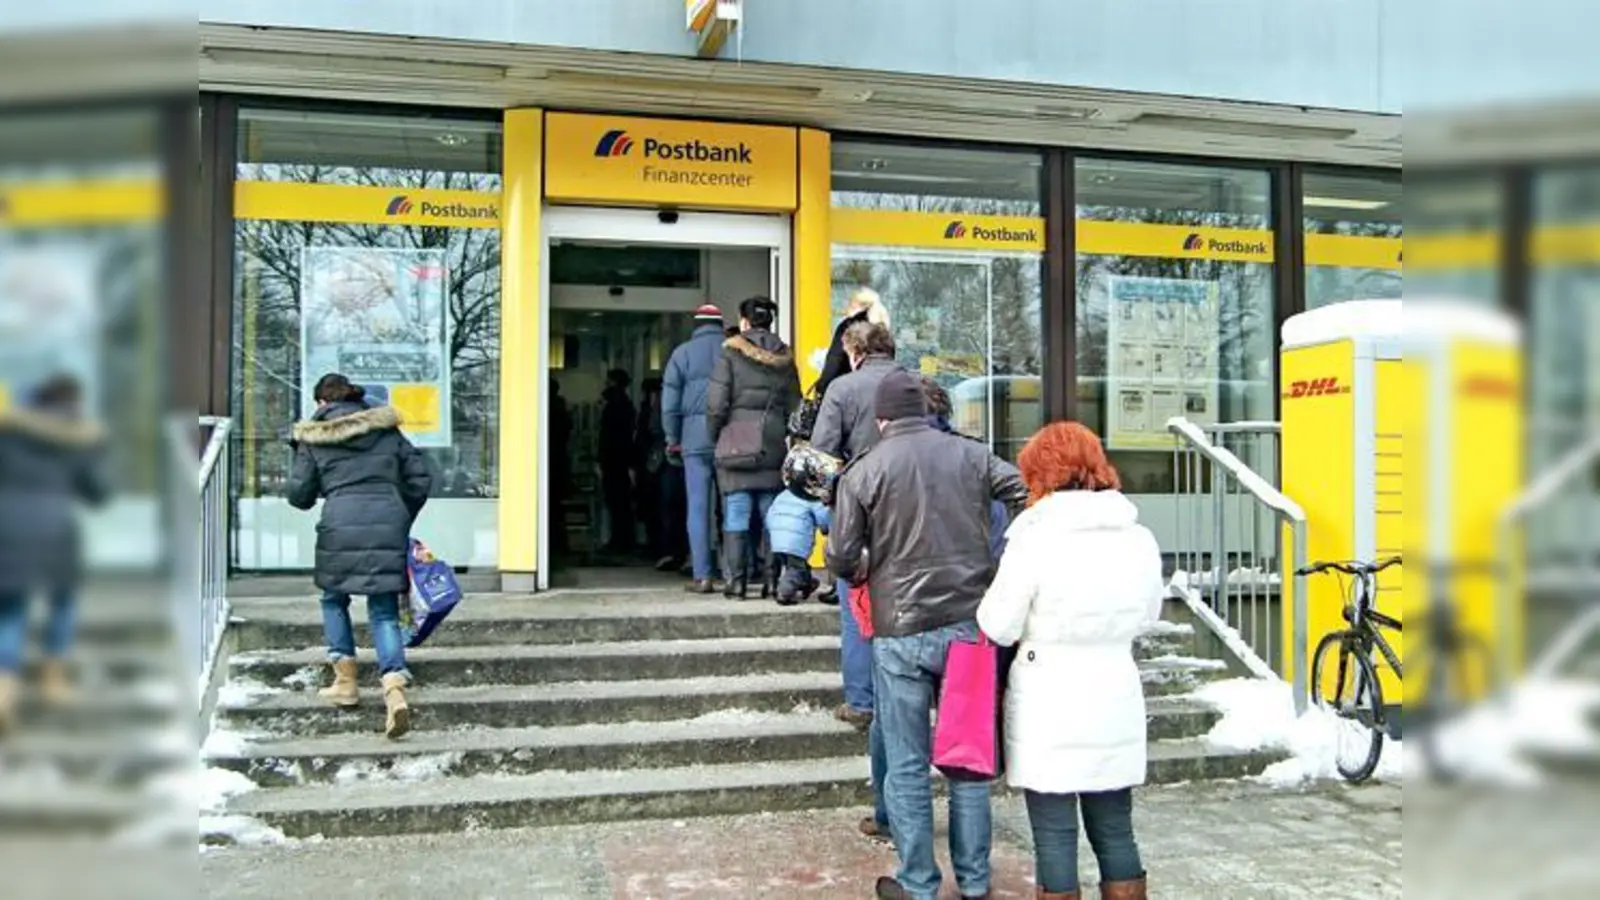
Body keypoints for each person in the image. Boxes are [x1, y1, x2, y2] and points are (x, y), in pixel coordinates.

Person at [826, 369, 1028, 900]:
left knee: (908, 762)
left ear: (881, 417)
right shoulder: (973, 455)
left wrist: (875, 563)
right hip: (969, 625)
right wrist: (1000, 560)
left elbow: (842, 559)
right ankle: (976, 881)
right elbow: (1025, 492)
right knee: (967, 764)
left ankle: (918, 883)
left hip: (901, 630)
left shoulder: (864, 471)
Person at [976, 422, 1162, 900]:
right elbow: (1148, 614)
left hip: (1049, 695)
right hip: (1114, 688)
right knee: (1116, 830)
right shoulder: (1137, 536)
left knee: (1055, 836)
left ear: (1039, 474)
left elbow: (999, 624)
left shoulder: (1034, 537)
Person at [287, 373, 432, 740]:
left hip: (340, 525)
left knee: (334, 599)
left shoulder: (314, 437)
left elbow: (299, 495)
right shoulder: (386, 430)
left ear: (322, 403)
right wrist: (398, 511)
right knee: (383, 608)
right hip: (388, 523)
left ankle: (346, 683)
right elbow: (420, 478)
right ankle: (394, 685)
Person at [0, 374, 108, 731]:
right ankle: (53, 680)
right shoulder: (76, 437)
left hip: (8, 528)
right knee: (62, 603)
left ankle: (4, 690)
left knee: (11, 610)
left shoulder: (8, 431)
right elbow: (96, 493)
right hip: (57, 529)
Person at [811, 320, 901, 729]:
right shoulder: (917, 384)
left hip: (859, 510)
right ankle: (905, 695)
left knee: (856, 607)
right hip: (914, 510)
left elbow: (822, 456)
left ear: (854, 352)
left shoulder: (842, 388)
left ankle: (862, 702)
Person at [705, 295, 800, 599]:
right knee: (771, 515)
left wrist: (716, 435)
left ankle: (737, 582)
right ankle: (773, 581)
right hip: (772, 444)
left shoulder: (730, 355)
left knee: (736, 514)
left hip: (736, 443)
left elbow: (717, 404)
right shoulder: (786, 358)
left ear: (744, 321)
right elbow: (795, 408)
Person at [663, 304, 727, 592]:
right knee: (731, 507)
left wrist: (671, 438)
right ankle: (733, 572)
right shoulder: (734, 352)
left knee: (698, 507)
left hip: (694, 439)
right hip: (728, 438)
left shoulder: (682, 353)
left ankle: (702, 575)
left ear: (696, 325)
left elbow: (670, 404)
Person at [765, 443, 841, 605]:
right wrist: (827, 528)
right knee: (796, 569)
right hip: (796, 542)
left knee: (796, 566)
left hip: (777, 539)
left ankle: (807, 584)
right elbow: (823, 517)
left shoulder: (783, 495)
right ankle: (784, 593)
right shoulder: (812, 495)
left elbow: (770, 515)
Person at [816, 286, 891, 400]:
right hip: (880, 393)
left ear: (857, 305)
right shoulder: (882, 328)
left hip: (848, 394)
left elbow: (835, 361)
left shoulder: (849, 326)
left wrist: (821, 387)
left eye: (851, 303)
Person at [634, 377, 674, 569]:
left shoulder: (655, 407)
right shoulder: (666, 402)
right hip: (661, 460)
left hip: (655, 461)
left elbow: (651, 429)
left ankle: (663, 549)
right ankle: (665, 548)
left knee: (660, 506)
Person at [598, 368, 636, 555]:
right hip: (621, 458)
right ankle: (623, 539)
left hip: (613, 459)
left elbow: (607, 435)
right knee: (621, 500)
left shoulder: (612, 404)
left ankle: (619, 539)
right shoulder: (626, 404)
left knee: (615, 500)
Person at [549, 377, 574, 555]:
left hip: (551, 462)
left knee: (551, 506)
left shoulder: (547, 409)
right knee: (556, 507)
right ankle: (559, 544)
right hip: (559, 462)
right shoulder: (561, 409)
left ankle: (554, 544)